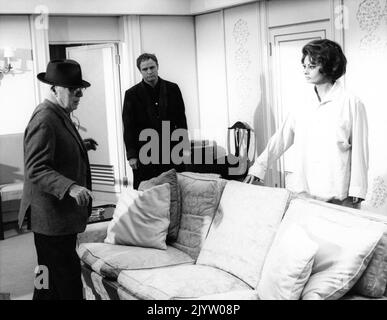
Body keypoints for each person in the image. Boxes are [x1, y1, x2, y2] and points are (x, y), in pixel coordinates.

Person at [244, 39, 369, 208]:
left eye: (311, 66)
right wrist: (259, 167)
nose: (305, 71)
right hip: (304, 190)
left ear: (330, 66)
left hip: (339, 193)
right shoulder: (300, 103)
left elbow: (360, 149)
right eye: (304, 66)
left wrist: (358, 189)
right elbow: (281, 138)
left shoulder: (351, 103)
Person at [18, 59, 97, 300]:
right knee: (68, 282)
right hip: (52, 220)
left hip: (54, 219)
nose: (79, 95)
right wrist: (71, 187)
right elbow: (36, 167)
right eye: (74, 90)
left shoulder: (58, 113)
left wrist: (80, 145)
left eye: (80, 89)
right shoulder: (45, 118)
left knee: (46, 279)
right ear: (54, 89)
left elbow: (54, 150)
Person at [122, 53, 188, 189]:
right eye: (145, 69)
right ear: (140, 71)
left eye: (152, 67)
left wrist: (184, 148)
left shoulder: (173, 89)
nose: (149, 72)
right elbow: (128, 127)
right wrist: (131, 155)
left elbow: (181, 120)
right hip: (144, 151)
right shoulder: (131, 94)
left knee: (174, 188)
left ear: (157, 66)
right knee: (146, 191)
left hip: (171, 148)